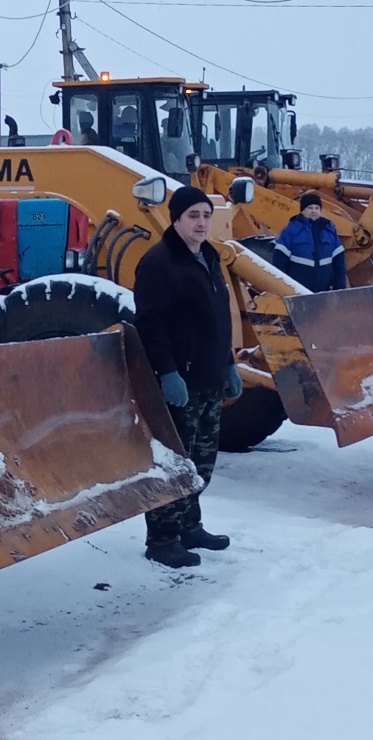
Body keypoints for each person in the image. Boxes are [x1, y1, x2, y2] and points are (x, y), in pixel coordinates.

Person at [133, 186, 238, 568]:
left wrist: (227, 362)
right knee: (175, 463)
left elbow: (218, 318)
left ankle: (190, 526)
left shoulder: (209, 257)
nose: (201, 222)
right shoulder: (159, 263)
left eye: (206, 215)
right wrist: (167, 373)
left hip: (209, 378)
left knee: (200, 464)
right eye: (193, 215)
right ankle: (162, 538)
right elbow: (151, 323)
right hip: (181, 384)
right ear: (176, 219)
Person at [272, 192, 348, 292]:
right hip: (297, 291)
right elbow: (279, 263)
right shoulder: (291, 231)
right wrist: (283, 289)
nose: (314, 211)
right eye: (310, 208)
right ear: (302, 210)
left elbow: (339, 263)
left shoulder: (329, 230)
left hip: (324, 291)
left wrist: (340, 287)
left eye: (317, 208)